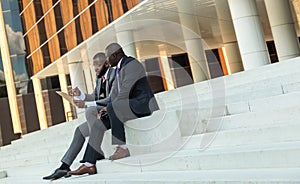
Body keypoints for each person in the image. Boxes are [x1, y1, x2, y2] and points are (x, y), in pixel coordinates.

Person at [43, 52, 115, 180]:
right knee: (79, 131)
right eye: (94, 66)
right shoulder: (99, 79)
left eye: (98, 65)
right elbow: (95, 96)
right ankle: (64, 166)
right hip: (102, 116)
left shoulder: (114, 75)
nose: (96, 68)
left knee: (90, 111)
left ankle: (95, 152)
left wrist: (86, 104)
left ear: (106, 63)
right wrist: (80, 94)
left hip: (112, 113)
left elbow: (110, 99)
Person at [102, 43, 159, 160]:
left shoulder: (131, 64)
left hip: (143, 104)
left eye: (107, 57)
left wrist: (110, 107)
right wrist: (105, 108)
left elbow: (125, 91)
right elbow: (115, 94)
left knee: (113, 107)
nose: (106, 61)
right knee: (105, 116)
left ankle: (122, 148)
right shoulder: (120, 68)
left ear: (115, 55)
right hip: (132, 103)